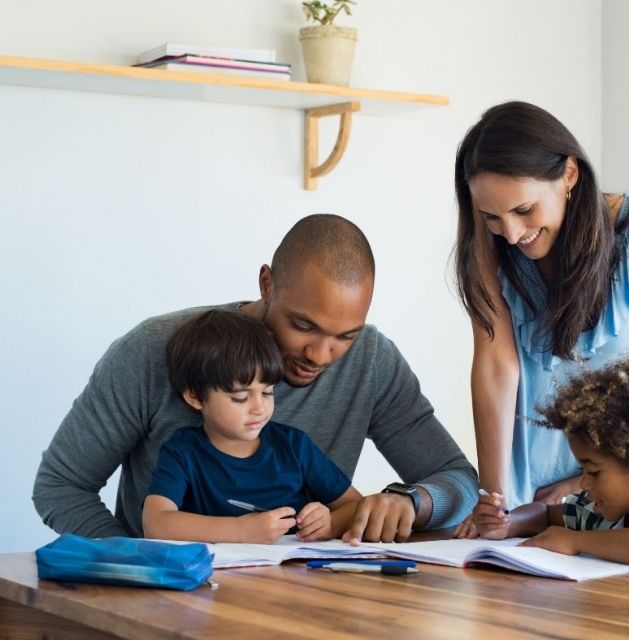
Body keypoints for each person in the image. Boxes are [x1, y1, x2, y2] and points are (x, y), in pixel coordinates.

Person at [34, 214, 477, 543]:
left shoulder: (371, 360)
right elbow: (61, 486)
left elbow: (457, 480)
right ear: (267, 283)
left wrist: (411, 501)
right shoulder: (153, 351)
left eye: (345, 336)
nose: (321, 355)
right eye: (303, 326)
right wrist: (138, 564)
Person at [451, 101, 629, 538]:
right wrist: (494, 499)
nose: (511, 233)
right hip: (530, 501)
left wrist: (586, 482)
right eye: (493, 217)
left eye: (524, 210)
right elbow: (496, 369)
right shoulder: (490, 249)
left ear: (569, 174)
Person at [476, 356, 629, 566]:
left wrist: (574, 541)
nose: (583, 483)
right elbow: (543, 514)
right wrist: (507, 523)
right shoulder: (601, 512)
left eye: (593, 472)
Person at [143, 309, 362, 544]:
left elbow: (356, 505)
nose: (259, 408)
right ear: (195, 396)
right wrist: (241, 530)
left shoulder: (293, 446)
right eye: (240, 398)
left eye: (267, 392)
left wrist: (330, 523)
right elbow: (156, 523)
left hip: (293, 575)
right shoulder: (183, 451)